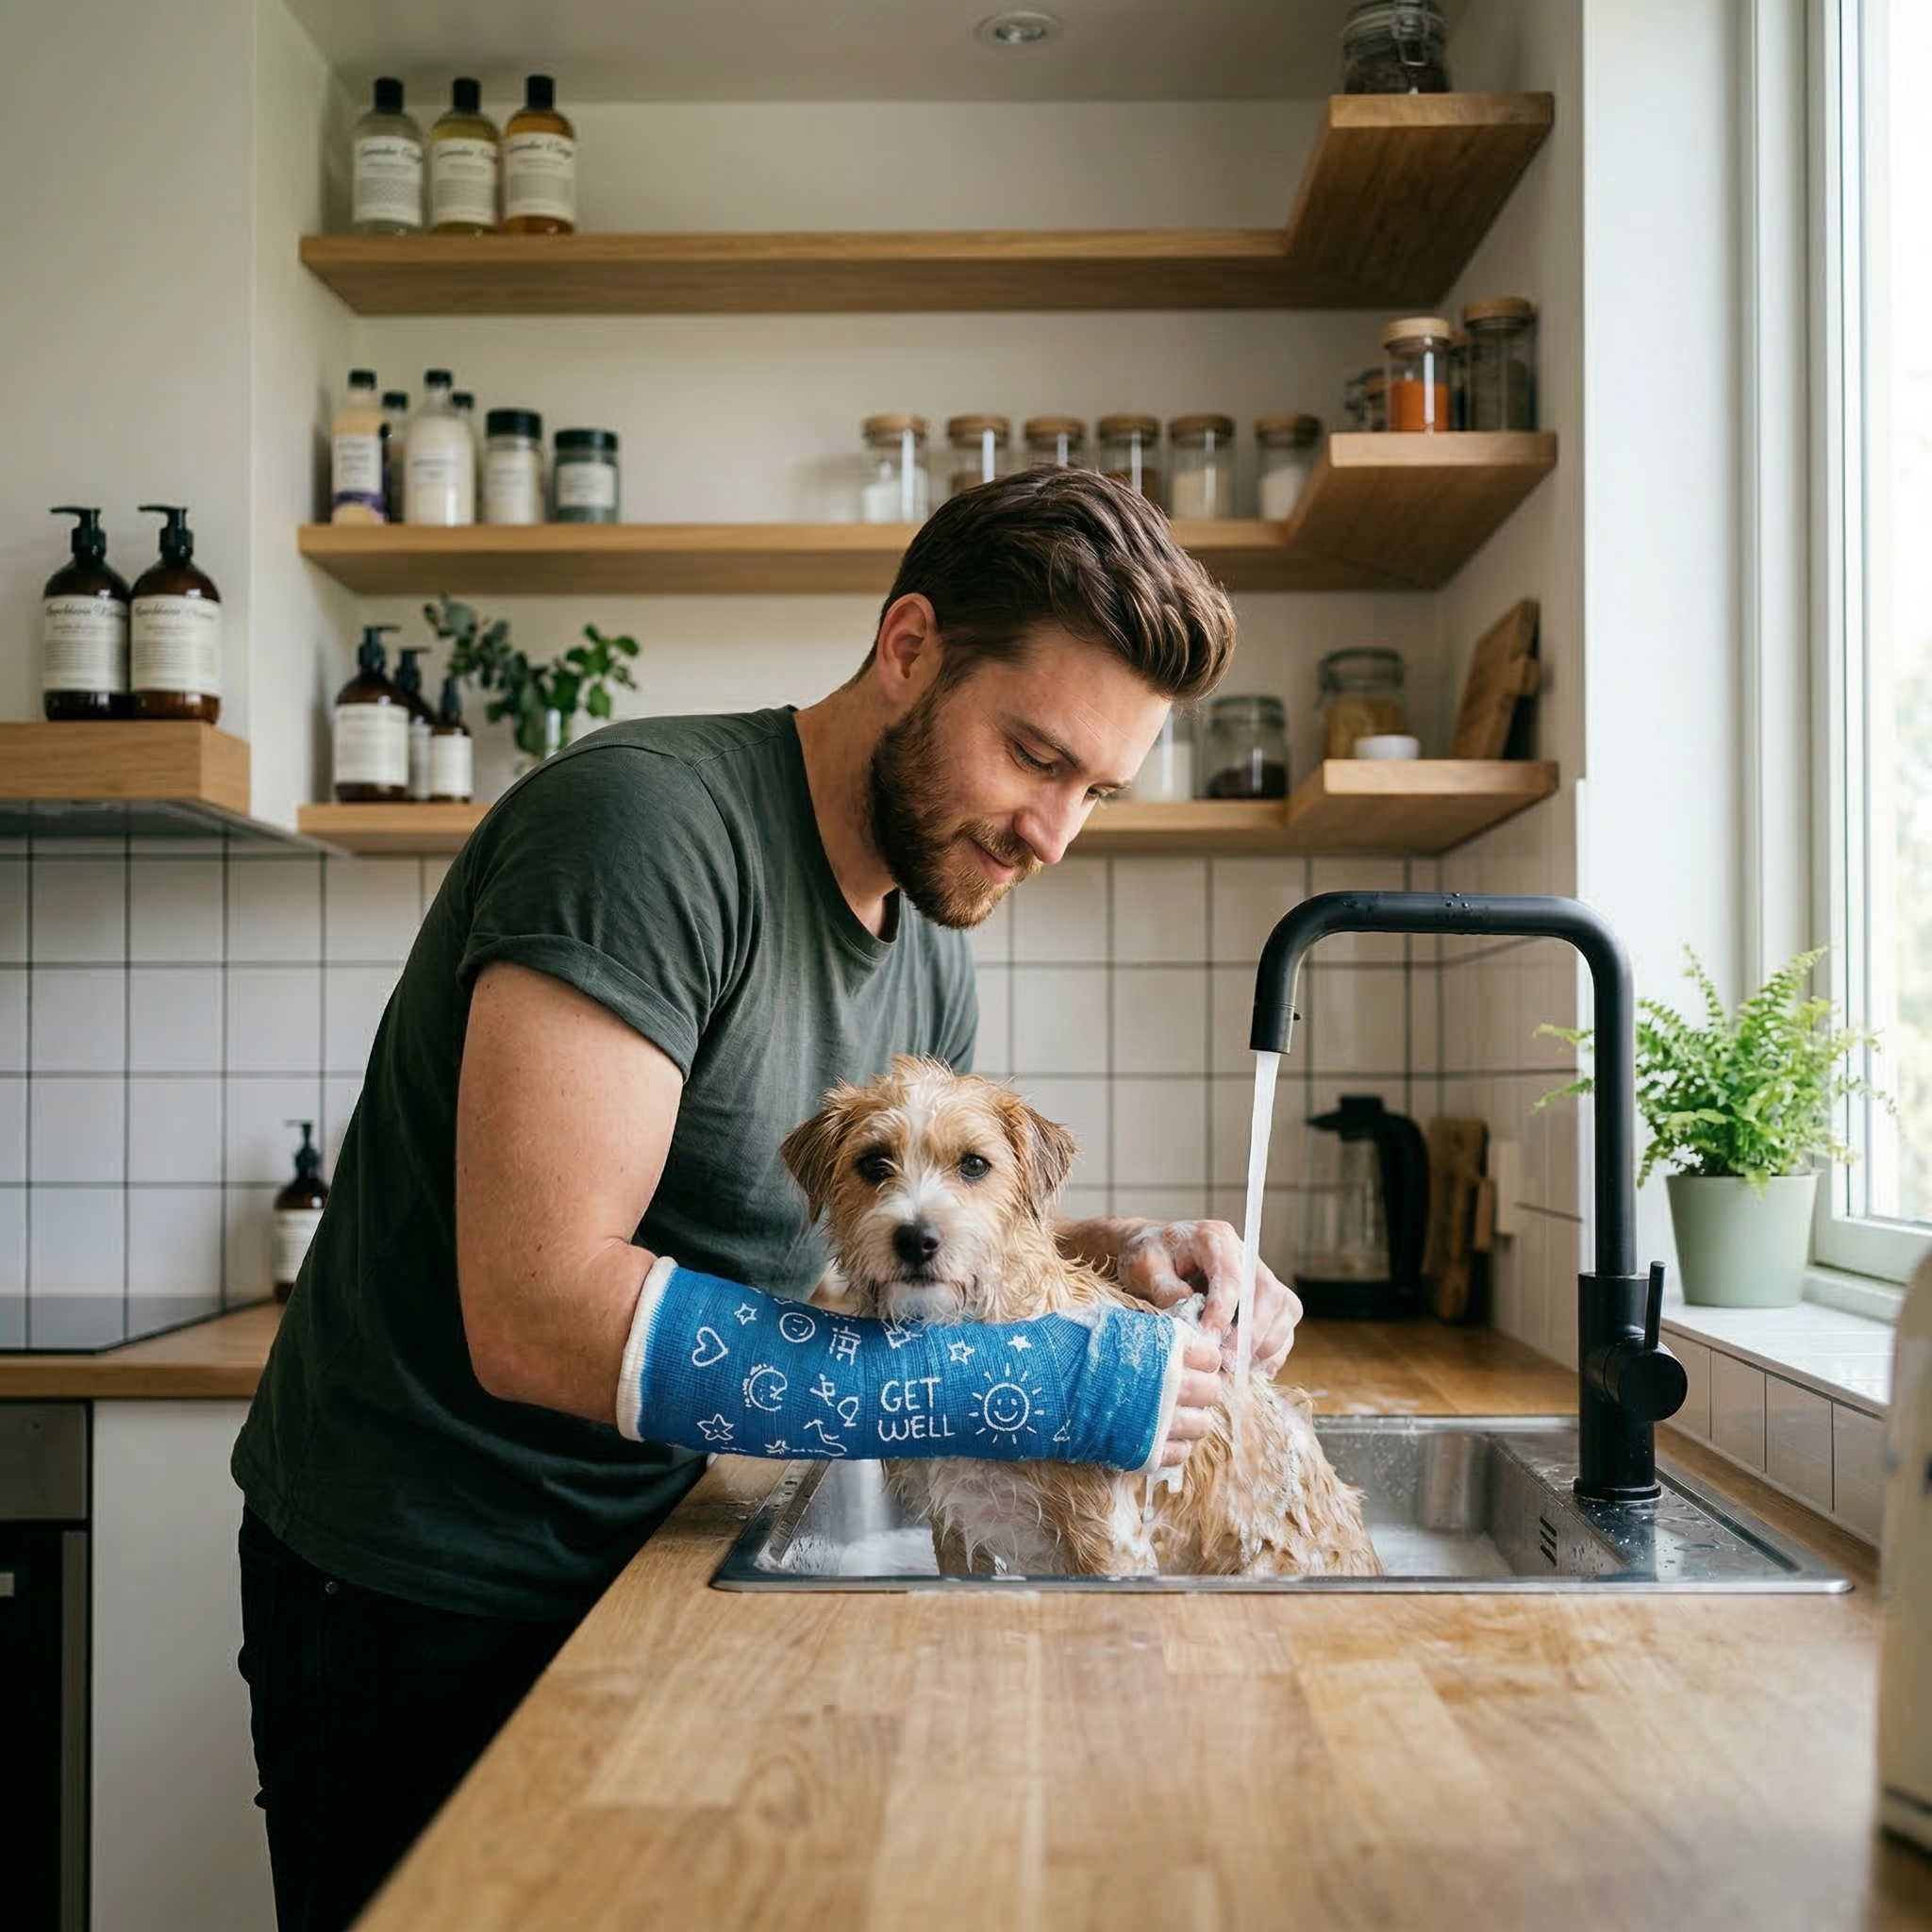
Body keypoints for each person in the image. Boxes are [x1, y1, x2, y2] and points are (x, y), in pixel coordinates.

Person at [230, 467, 1304, 1932]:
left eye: (1094, 792)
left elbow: (911, 1255)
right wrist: (1009, 1385)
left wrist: (1124, 1260)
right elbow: (538, 1313)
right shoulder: (644, 833)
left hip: (652, 1534)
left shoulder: (928, 929)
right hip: (423, 1582)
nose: (1054, 834)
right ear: (910, 648)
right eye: (1035, 758)